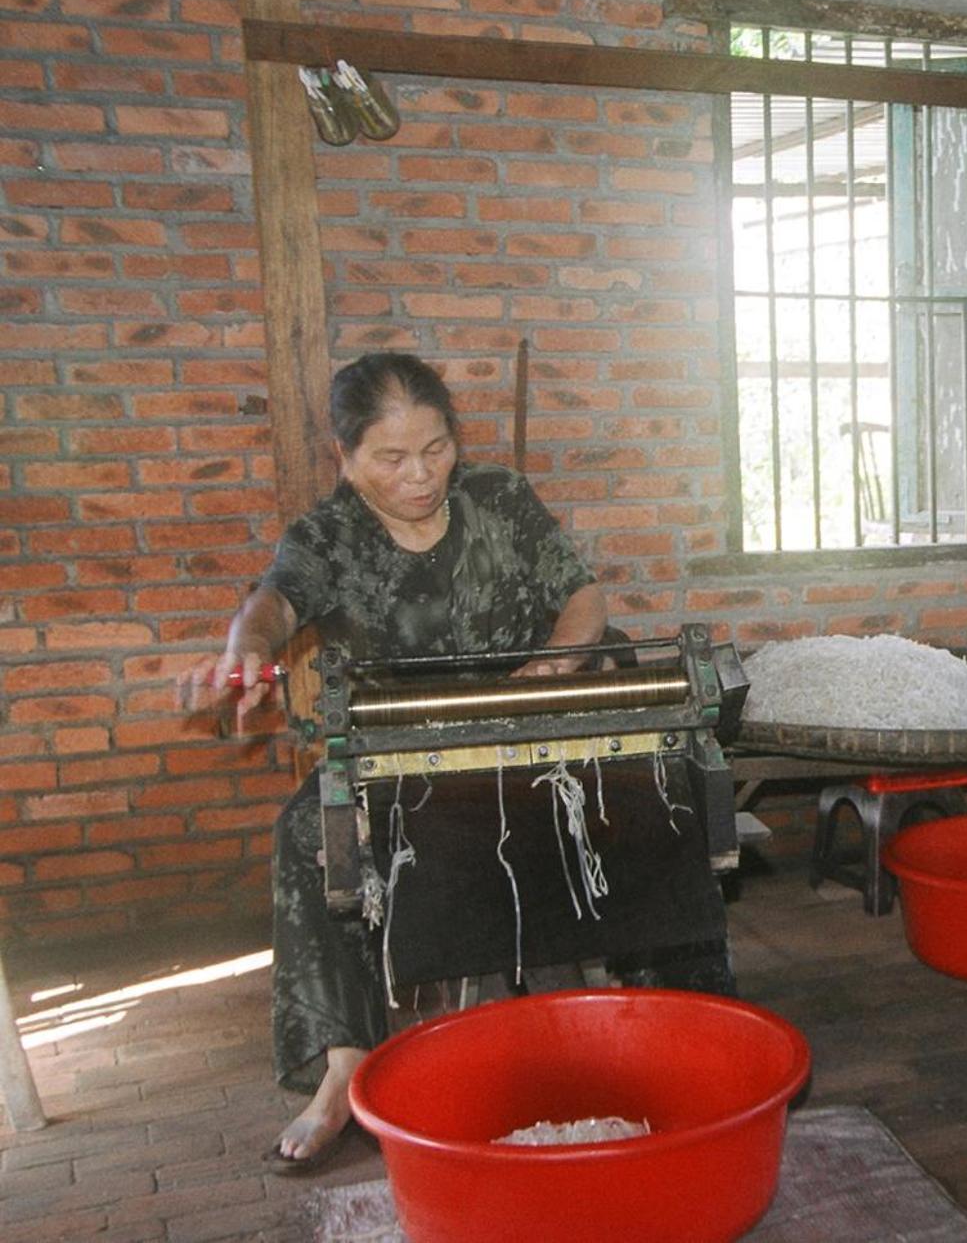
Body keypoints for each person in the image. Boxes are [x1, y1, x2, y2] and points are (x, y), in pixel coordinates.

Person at [178, 353, 731, 1172]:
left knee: (658, 794)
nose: (420, 476)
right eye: (391, 459)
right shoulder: (330, 537)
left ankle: (680, 1024)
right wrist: (242, 650)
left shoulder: (499, 499)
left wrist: (554, 664)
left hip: (535, 726)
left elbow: (583, 598)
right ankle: (343, 1068)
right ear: (346, 456)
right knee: (306, 835)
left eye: (435, 449)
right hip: (408, 752)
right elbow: (273, 604)